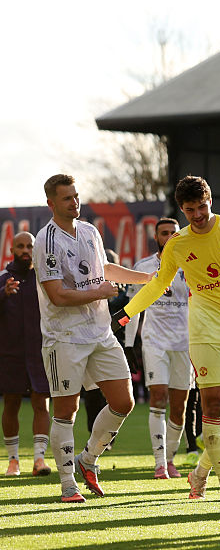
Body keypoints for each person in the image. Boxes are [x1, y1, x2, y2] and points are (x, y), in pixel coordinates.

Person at [114, 175, 220, 503]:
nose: (198, 215)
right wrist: (126, 313)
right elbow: (158, 285)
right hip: (203, 333)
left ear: (210, 200)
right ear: (182, 209)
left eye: (202, 206)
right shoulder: (177, 244)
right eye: (190, 210)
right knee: (213, 406)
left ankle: (200, 471)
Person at [35, 174, 152, 503]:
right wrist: (97, 292)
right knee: (66, 410)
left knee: (123, 401)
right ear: (51, 204)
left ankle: (88, 460)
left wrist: (148, 279)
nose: (74, 202)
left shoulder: (89, 231)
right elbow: (57, 296)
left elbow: (105, 270)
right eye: (66, 198)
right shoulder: (46, 241)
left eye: (75, 196)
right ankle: (68, 484)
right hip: (64, 336)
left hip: (99, 331)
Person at [125, 217, 191, 479]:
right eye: (164, 233)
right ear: (156, 237)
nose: (169, 237)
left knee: (179, 407)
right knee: (159, 397)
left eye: (173, 233)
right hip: (155, 343)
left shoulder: (191, 264)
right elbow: (134, 308)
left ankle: (171, 458)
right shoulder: (144, 267)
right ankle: (159, 462)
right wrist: (130, 344)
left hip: (185, 344)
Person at [1, 231, 51, 477]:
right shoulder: (3, 278)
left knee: (42, 403)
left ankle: (39, 460)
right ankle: (13, 461)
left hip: (40, 352)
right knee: (11, 404)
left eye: (29, 246)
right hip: (10, 354)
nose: (25, 250)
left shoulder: (44, 278)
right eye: (20, 246)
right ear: (11, 250)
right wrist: (3, 294)